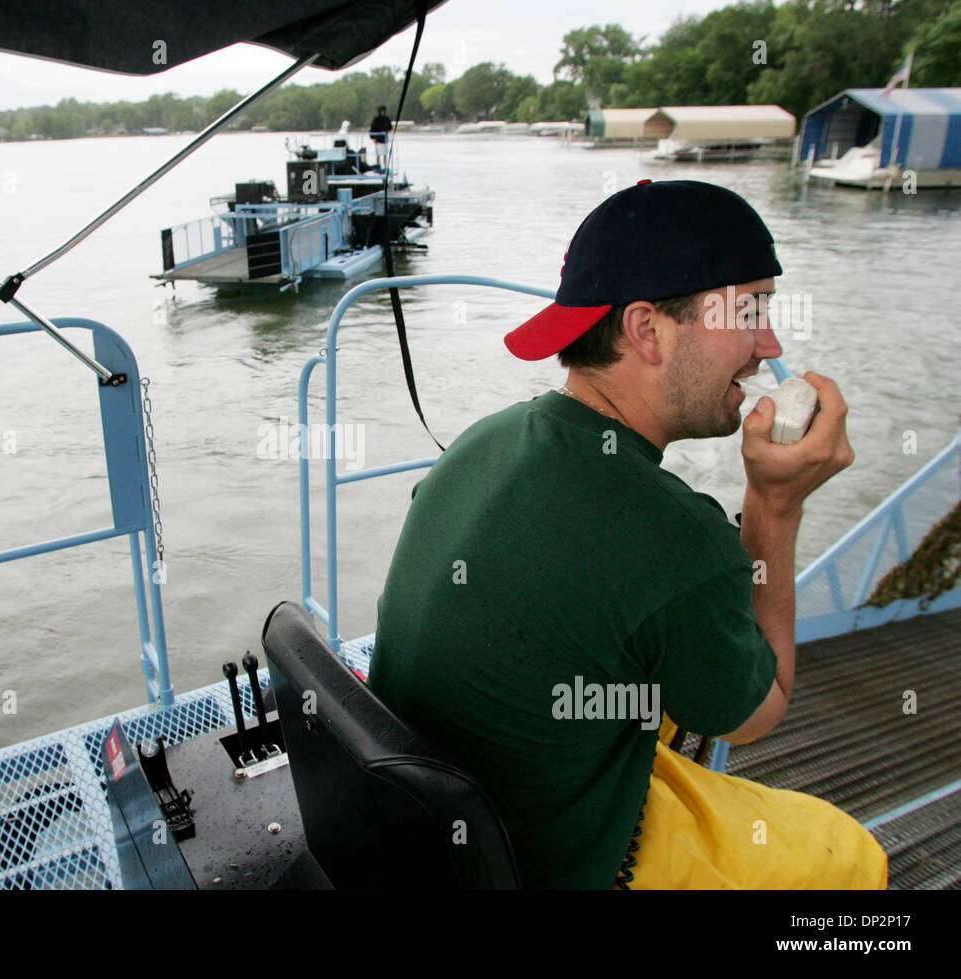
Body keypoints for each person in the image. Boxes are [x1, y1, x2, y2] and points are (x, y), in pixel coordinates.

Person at [367, 179, 888, 889]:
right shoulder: (676, 538)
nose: (770, 346)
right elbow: (758, 710)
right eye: (751, 310)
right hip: (554, 866)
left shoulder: (482, 440)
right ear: (647, 329)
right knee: (852, 857)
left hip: (428, 834)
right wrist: (774, 507)